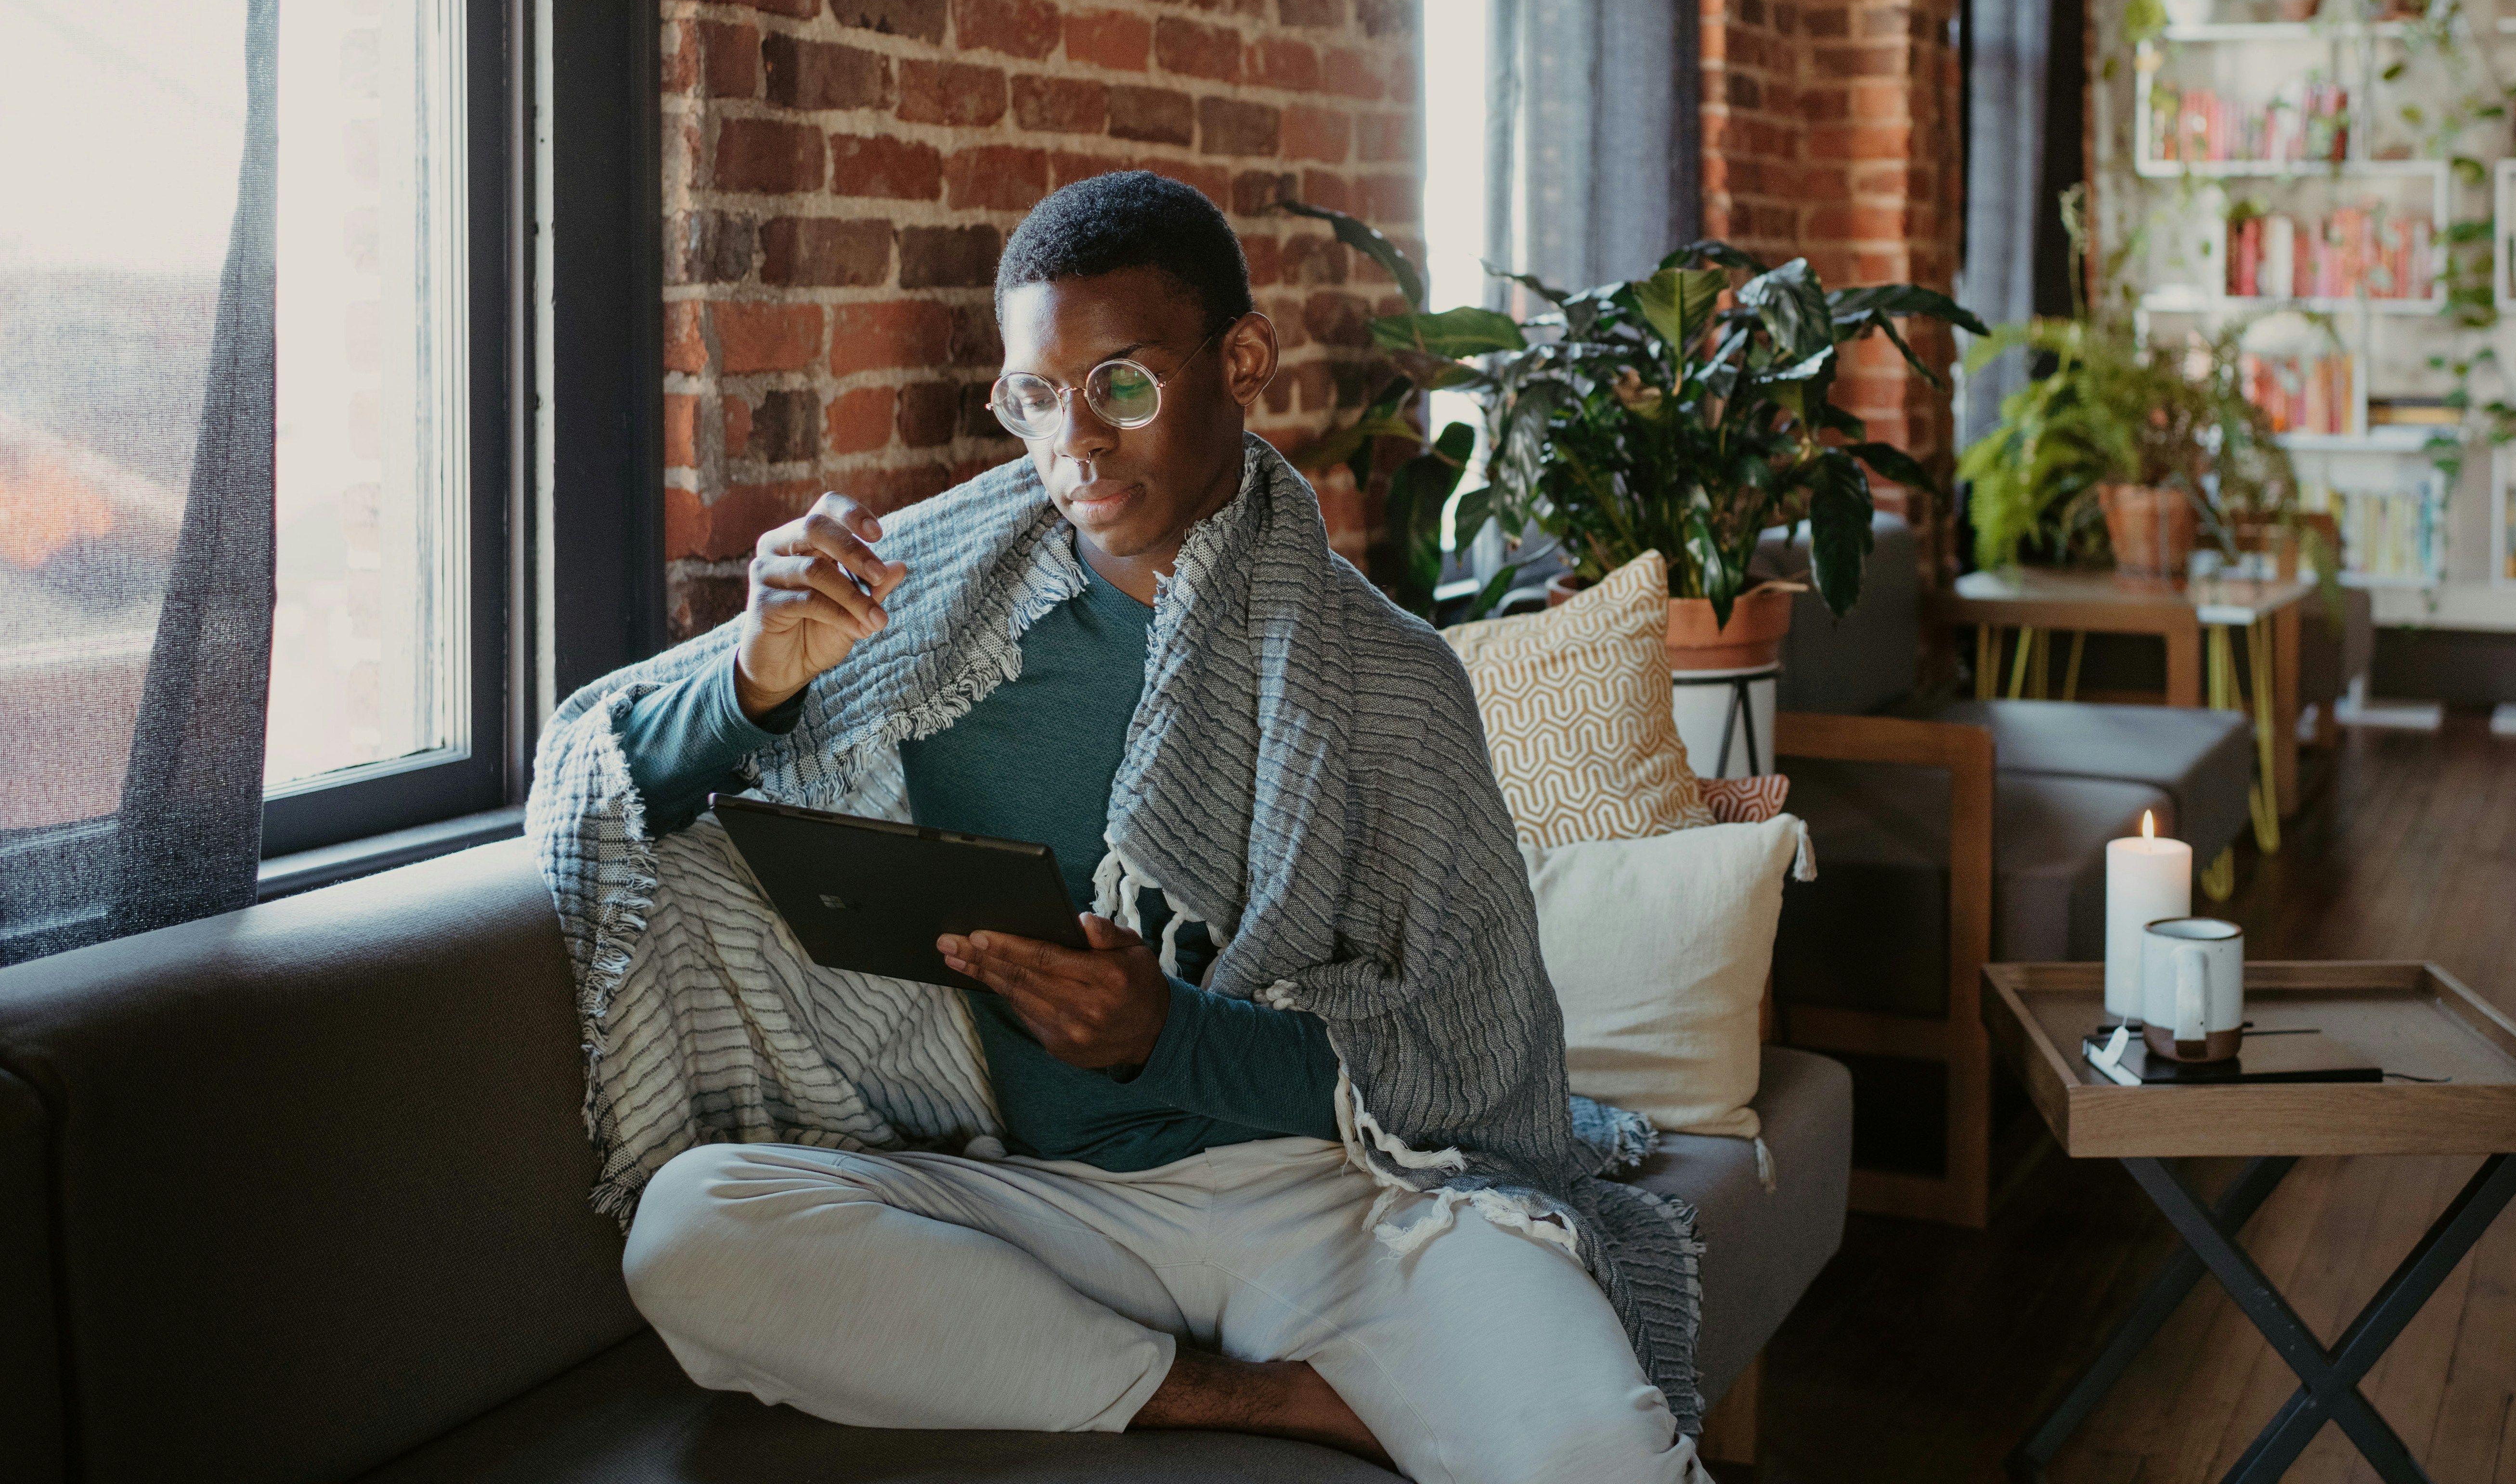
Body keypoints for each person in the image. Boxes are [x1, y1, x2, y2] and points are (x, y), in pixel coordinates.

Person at [525, 171, 1708, 1483]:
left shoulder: (1388, 680)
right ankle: (1258, 1403)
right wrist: (748, 681)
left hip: (1339, 1196)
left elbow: (1475, 1065)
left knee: (1603, 1453)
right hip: (1027, 1203)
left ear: (1240, 360)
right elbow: (605, 783)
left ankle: (1186, 1368)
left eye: (1123, 387)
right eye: (1036, 397)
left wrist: (1169, 1038)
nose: (1075, 446)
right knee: (693, 1232)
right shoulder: (923, 610)